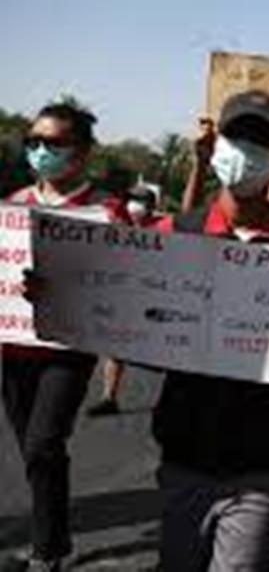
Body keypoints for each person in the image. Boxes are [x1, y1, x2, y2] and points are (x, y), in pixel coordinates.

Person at [149, 90, 269, 571]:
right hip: (186, 452)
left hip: (265, 462)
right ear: (217, 145)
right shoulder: (177, 233)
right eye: (237, 137)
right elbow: (128, 324)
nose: (245, 150)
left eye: (261, 142)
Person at [2, 101, 127, 571]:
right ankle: (51, 542)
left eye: (53, 142)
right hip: (12, 345)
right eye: (33, 141)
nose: (40, 150)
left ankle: (46, 552)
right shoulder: (13, 204)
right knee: (34, 452)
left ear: (83, 151)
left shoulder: (106, 211)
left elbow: (128, 277)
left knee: (42, 443)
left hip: (67, 348)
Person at [86, 181, 162, 417]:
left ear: (151, 206)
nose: (135, 205)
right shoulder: (120, 226)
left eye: (140, 201)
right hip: (125, 296)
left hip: (156, 297)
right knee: (114, 347)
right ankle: (109, 397)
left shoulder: (164, 227)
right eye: (132, 200)